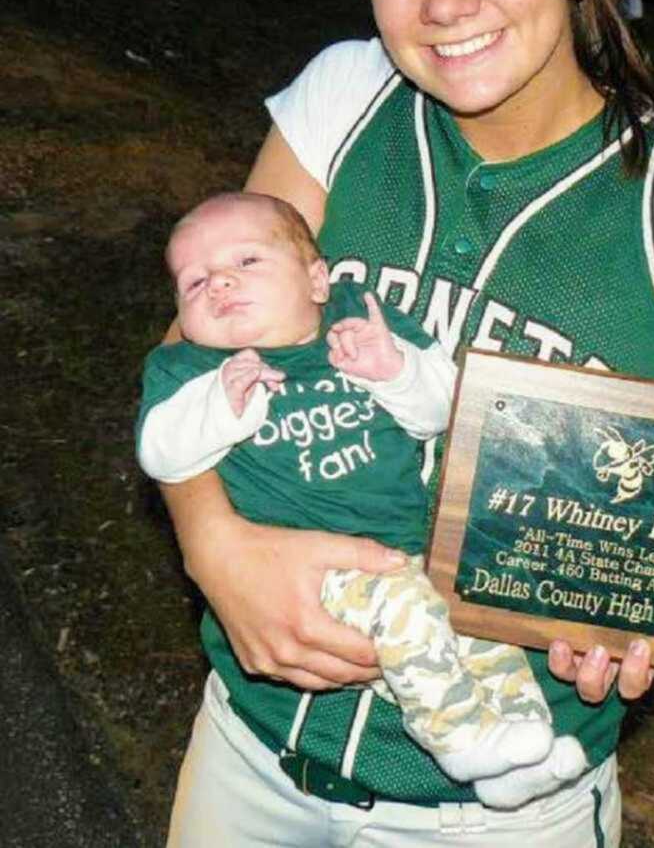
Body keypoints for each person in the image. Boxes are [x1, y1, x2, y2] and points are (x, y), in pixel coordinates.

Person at [157, 0, 654, 848]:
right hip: (253, 749)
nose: (444, 0)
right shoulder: (341, 101)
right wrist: (210, 543)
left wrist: (641, 623)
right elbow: (192, 356)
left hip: (499, 813)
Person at [138, 190, 587, 810]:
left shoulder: (362, 317)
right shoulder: (189, 369)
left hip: (410, 545)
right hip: (307, 568)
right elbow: (160, 454)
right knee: (407, 611)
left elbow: (445, 412)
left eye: (246, 263)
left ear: (317, 279)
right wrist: (222, 403)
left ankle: (517, 749)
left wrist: (394, 369)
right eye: (195, 283)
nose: (219, 284)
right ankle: (457, 737)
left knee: (479, 620)